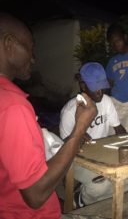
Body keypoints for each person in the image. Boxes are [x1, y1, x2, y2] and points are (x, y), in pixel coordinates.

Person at [0, 12, 97, 219]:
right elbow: (36, 195)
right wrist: (79, 130)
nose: (34, 58)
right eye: (30, 47)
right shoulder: (13, 106)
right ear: (9, 44)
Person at [59, 62, 128, 207]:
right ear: (83, 86)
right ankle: (81, 199)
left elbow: (119, 129)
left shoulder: (106, 102)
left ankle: (103, 198)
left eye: (102, 87)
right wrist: (76, 137)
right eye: (96, 88)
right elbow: (64, 148)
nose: (100, 92)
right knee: (99, 185)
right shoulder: (69, 111)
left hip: (102, 153)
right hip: (78, 159)